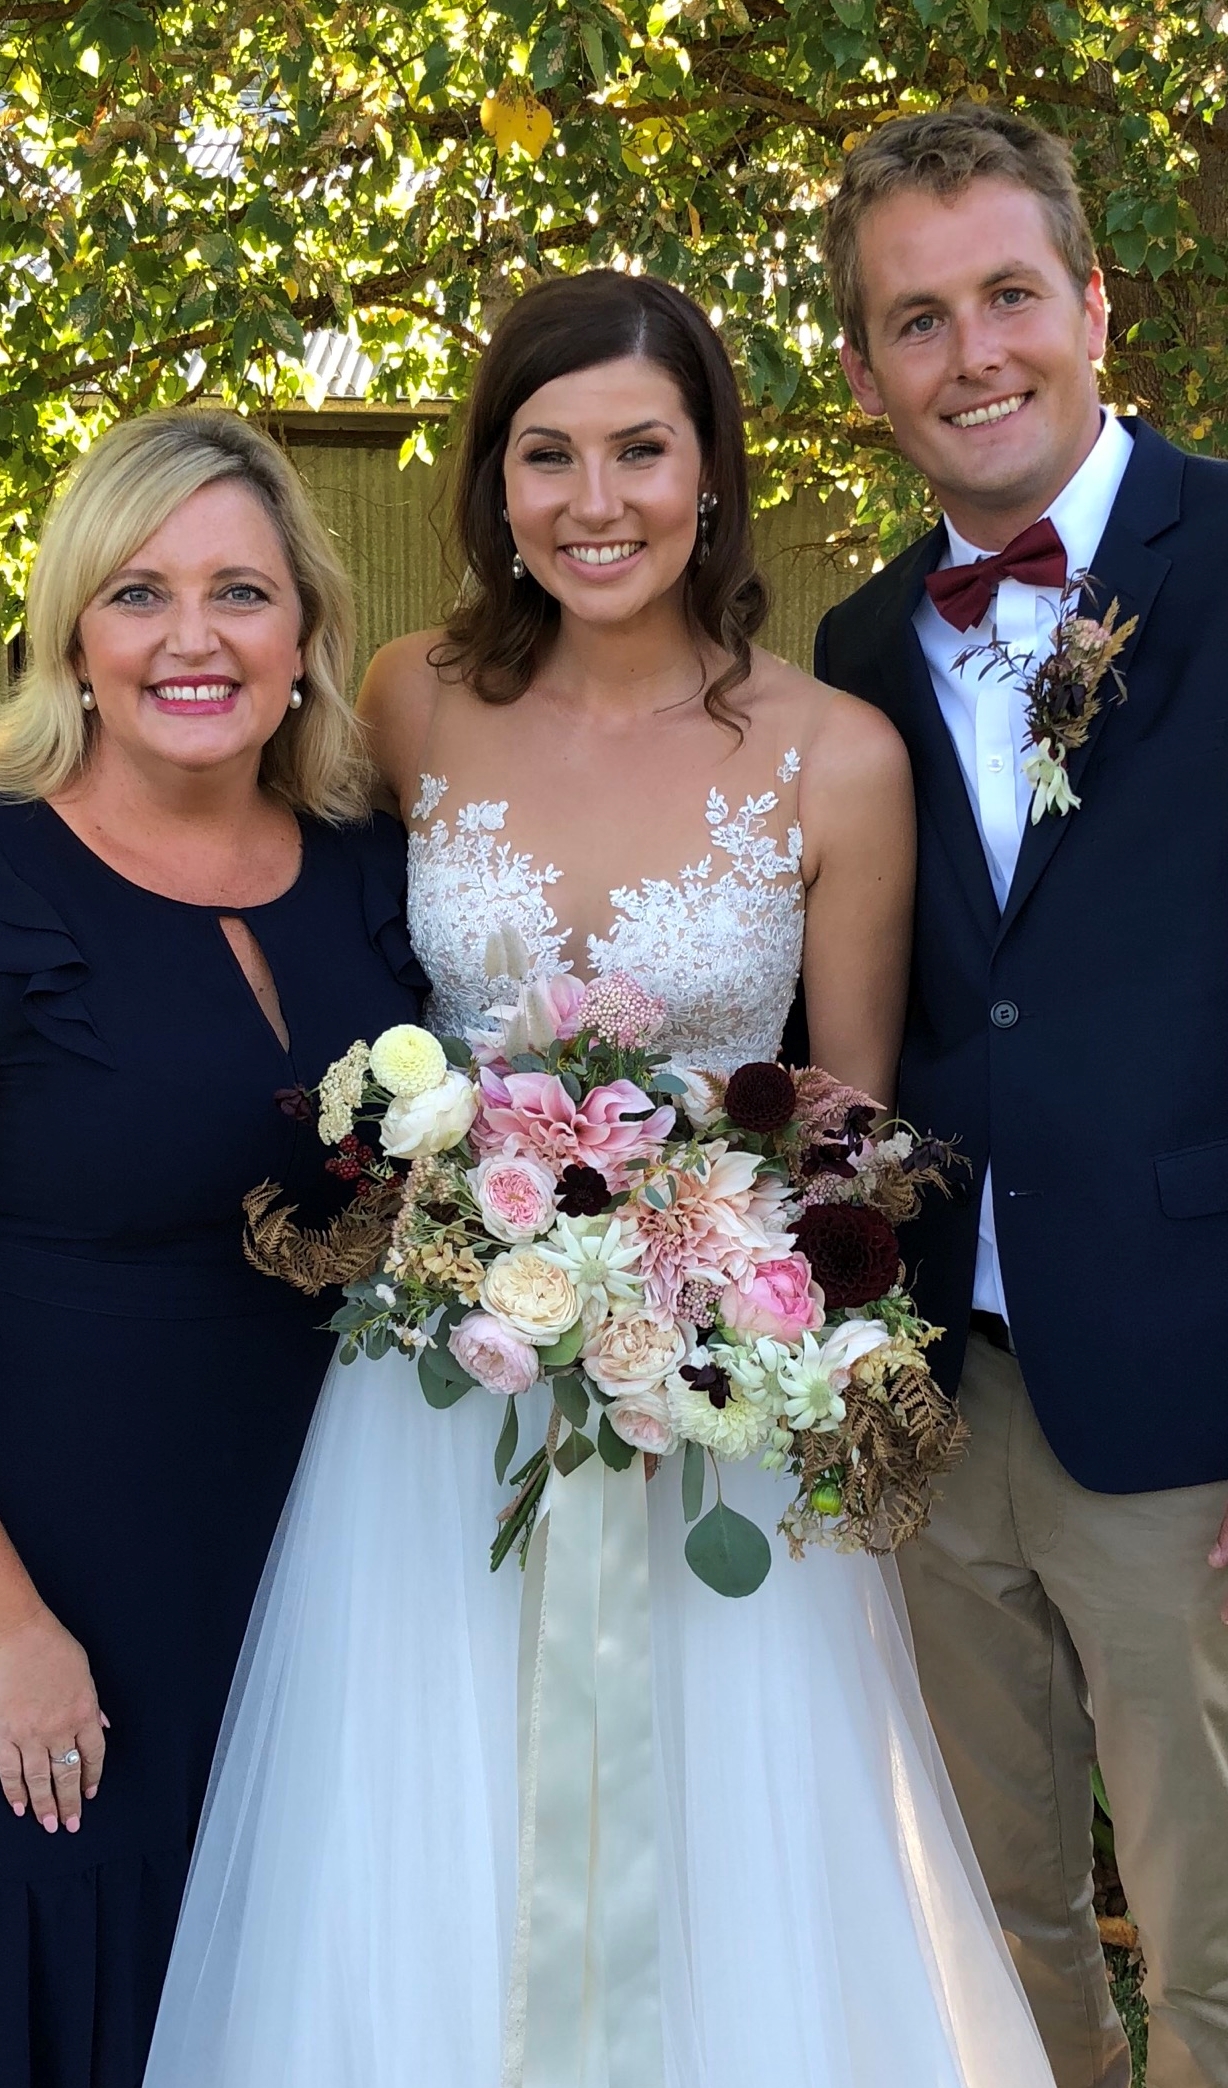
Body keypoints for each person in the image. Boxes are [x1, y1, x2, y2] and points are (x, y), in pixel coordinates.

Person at [144, 271, 1055, 2088]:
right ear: (495, 481)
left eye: (641, 450)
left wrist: (696, 1289)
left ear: (710, 470)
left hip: (712, 1416)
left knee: (737, 1870)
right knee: (413, 1845)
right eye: (546, 455)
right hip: (432, 1407)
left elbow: (852, 1145)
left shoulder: (834, 753)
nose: (595, 501)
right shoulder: (410, 701)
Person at [807, 103, 1228, 2088]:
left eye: (1005, 296)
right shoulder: (855, 646)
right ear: (863, 370)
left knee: (1215, 1941)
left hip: (1187, 1398)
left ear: (1091, 301)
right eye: (916, 319)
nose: (970, 354)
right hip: (938, 1399)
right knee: (989, 1929)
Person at [0, 406, 424, 2088]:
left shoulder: (374, 877)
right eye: (140, 593)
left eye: (240, 592)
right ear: (72, 640)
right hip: (64, 1596)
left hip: (336, 1575)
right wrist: (7, 1628)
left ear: (304, 633)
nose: (194, 638)